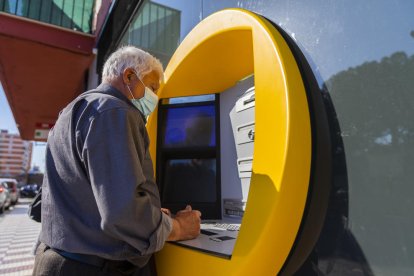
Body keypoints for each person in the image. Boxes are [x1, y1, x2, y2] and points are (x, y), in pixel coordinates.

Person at [32, 46, 201, 276]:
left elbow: (86, 197)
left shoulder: (72, 112)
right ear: (129, 76)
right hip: (96, 268)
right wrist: (179, 227)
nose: (154, 97)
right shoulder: (115, 111)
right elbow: (125, 214)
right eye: (152, 87)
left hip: (57, 261)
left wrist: (151, 214)